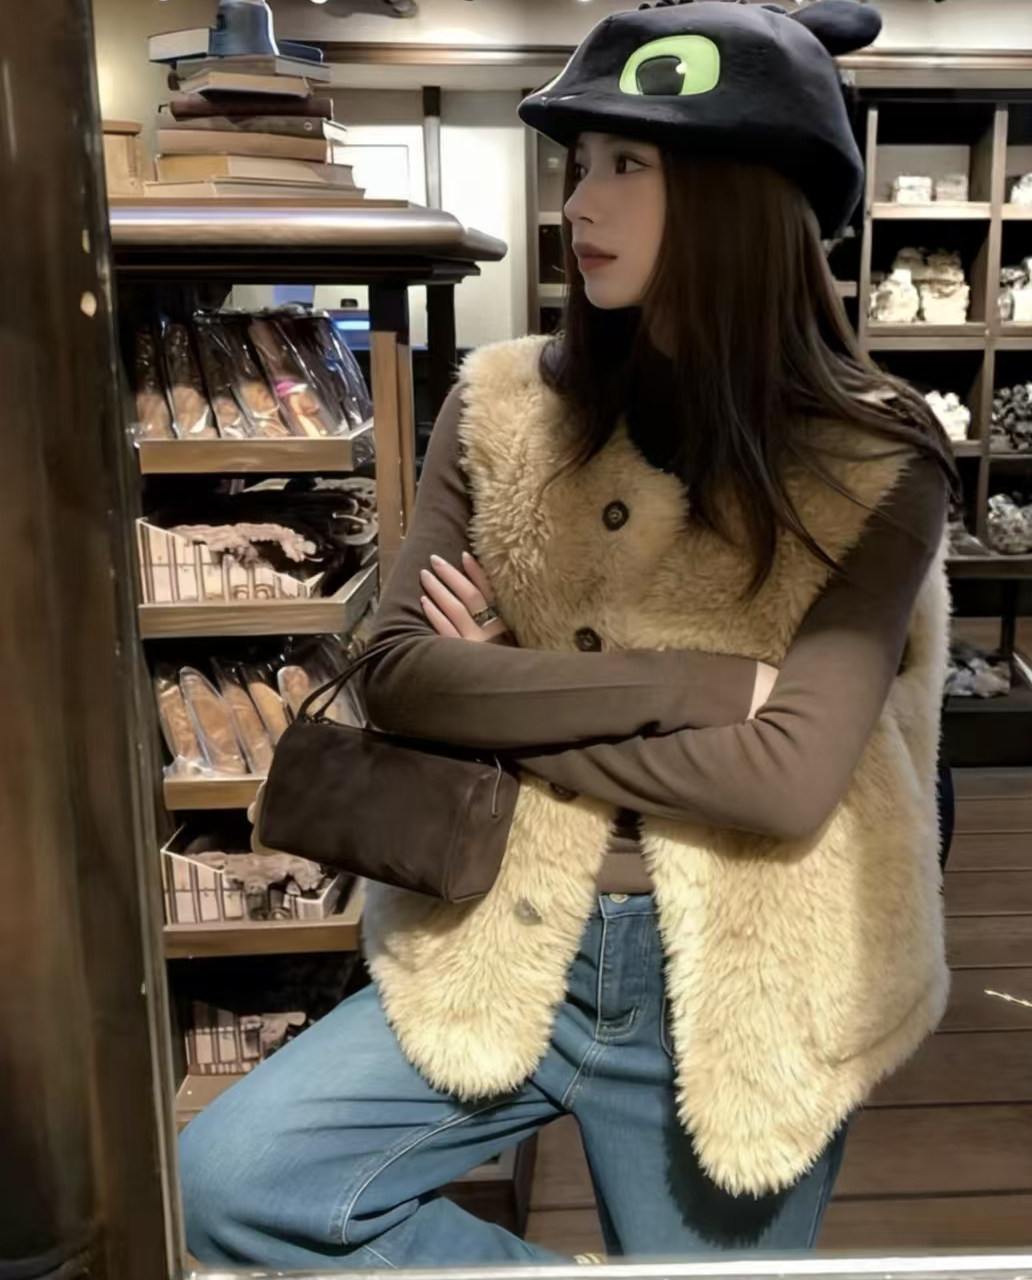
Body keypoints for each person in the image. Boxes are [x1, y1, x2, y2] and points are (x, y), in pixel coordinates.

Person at [179, 0, 957, 1266]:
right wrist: (697, 682)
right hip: (499, 928)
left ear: (745, 197)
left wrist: (501, 691)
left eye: (627, 164)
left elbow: (784, 776)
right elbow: (395, 676)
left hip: (757, 980)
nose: (579, 203)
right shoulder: (499, 405)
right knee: (228, 1180)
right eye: (578, 164)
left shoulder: (875, 455)